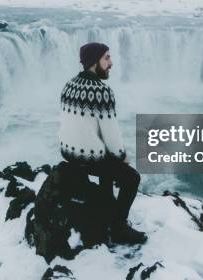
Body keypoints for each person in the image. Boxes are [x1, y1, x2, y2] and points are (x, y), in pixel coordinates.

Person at [58, 42, 147, 245]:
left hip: (67, 152)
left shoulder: (68, 85)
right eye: (106, 58)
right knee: (131, 177)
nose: (111, 63)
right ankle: (118, 228)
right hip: (88, 157)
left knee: (107, 160)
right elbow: (112, 136)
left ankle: (106, 205)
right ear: (94, 61)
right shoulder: (101, 91)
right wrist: (123, 157)